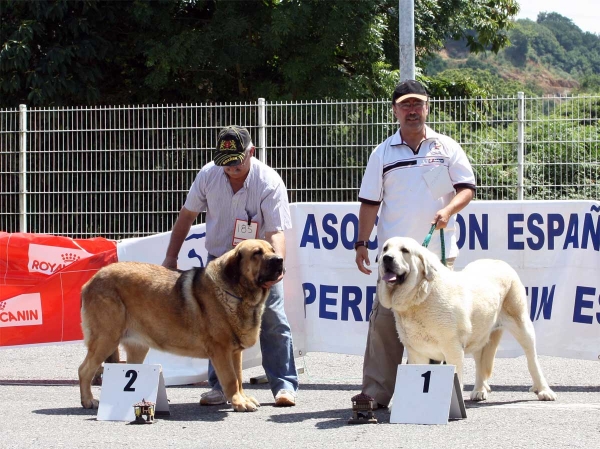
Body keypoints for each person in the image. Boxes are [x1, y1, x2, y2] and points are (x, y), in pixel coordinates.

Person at [354, 80, 476, 408]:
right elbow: (369, 203)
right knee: (384, 325)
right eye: (405, 105)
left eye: (418, 104)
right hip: (394, 261)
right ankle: (376, 393)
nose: (412, 111)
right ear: (394, 111)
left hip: (436, 258)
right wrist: (362, 243)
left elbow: (467, 187)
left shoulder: (446, 147)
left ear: (428, 108)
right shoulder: (382, 153)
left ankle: (432, 399)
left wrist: (449, 210)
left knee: (437, 326)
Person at [162, 125, 299, 407]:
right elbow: (186, 216)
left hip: (257, 264)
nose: (231, 168)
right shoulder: (208, 174)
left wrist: (277, 268)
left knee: (273, 318)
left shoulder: (269, 181)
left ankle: (284, 386)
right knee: (215, 324)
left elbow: (275, 232)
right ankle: (219, 387)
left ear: (252, 152)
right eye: (225, 162)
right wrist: (170, 257)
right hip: (219, 265)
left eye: (237, 160)